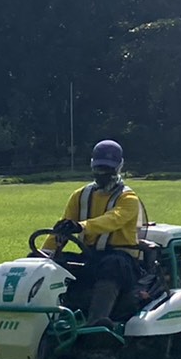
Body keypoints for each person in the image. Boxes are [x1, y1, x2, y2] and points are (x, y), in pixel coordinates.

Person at [44, 139, 143, 325]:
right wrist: (44, 255)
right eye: (99, 169)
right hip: (90, 257)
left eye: (108, 169)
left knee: (112, 264)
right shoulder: (79, 195)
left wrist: (81, 226)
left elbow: (113, 219)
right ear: (92, 167)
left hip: (123, 259)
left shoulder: (128, 198)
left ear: (119, 167)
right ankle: (34, 317)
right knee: (47, 265)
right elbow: (62, 228)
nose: (103, 174)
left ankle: (97, 321)